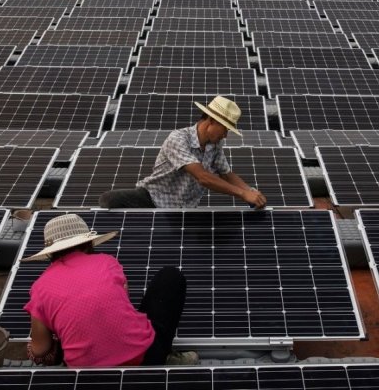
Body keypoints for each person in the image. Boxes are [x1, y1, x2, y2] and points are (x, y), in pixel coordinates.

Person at [23, 214, 197, 367]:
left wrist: (34, 347)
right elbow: (122, 306)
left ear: (50, 253)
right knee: (170, 277)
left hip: (83, 374)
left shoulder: (40, 287)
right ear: (88, 242)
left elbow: (41, 349)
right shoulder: (107, 262)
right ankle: (166, 359)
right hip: (146, 357)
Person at [99, 96, 268, 209]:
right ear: (211, 121)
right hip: (153, 199)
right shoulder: (178, 139)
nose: (225, 135)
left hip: (184, 209)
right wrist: (242, 193)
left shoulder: (215, 145)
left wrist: (251, 191)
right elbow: (203, 177)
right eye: (225, 129)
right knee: (110, 199)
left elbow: (226, 174)